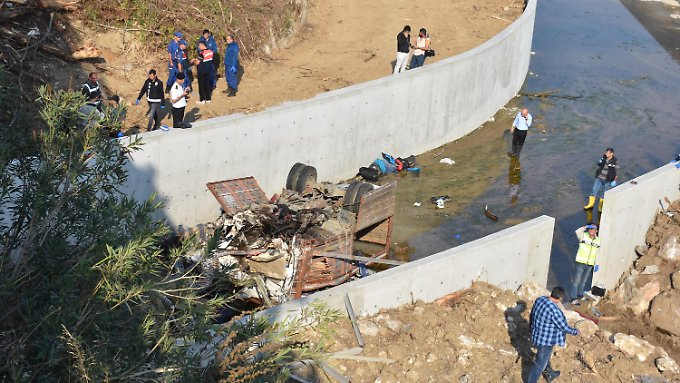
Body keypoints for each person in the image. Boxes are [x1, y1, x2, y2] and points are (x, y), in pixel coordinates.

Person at [528, 287, 579, 383]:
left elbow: (532, 315)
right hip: (546, 341)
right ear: (560, 298)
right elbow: (564, 327)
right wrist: (575, 332)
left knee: (544, 358)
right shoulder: (554, 311)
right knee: (539, 364)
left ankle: (550, 374)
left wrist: (530, 328)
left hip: (537, 335)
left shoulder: (540, 300)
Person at [570, 224, 600, 304]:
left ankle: (580, 295)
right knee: (576, 281)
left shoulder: (598, 240)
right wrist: (585, 227)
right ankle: (573, 298)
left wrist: (596, 264)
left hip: (590, 264)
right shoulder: (583, 236)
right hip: (581, 262)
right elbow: (577, 232)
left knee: (583, 281)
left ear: (596, 231)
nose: (591, 231)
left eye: (593, 229)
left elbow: (597, 252)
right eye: (590, 229)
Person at [583, 147, 618, 212]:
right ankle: (590, 204)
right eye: (606, 152)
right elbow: (599, 164)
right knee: (594, 190)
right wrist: (601, 161)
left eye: (608, 153)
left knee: (604, 193)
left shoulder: (615, 161)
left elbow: (616, 171)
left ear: (612, 154)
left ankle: (600, 207)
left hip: (608, 180)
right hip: (599, 177)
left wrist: (614, 180)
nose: (606, 154)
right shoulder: (603, 157)